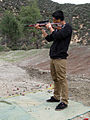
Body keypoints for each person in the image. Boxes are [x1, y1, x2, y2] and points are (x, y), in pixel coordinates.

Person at [35, 10, 72, 110]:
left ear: (59, 19)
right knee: (55, 78)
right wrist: (42, 29)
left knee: (62, 79)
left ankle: (64, 101)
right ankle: (56, 97)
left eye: (54, 20)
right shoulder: (58, 29)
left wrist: (50, 28)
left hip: (60, 58)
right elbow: (49, 38)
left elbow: (58, 35)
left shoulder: (67, 28)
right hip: (53, 57)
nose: (53, 21)